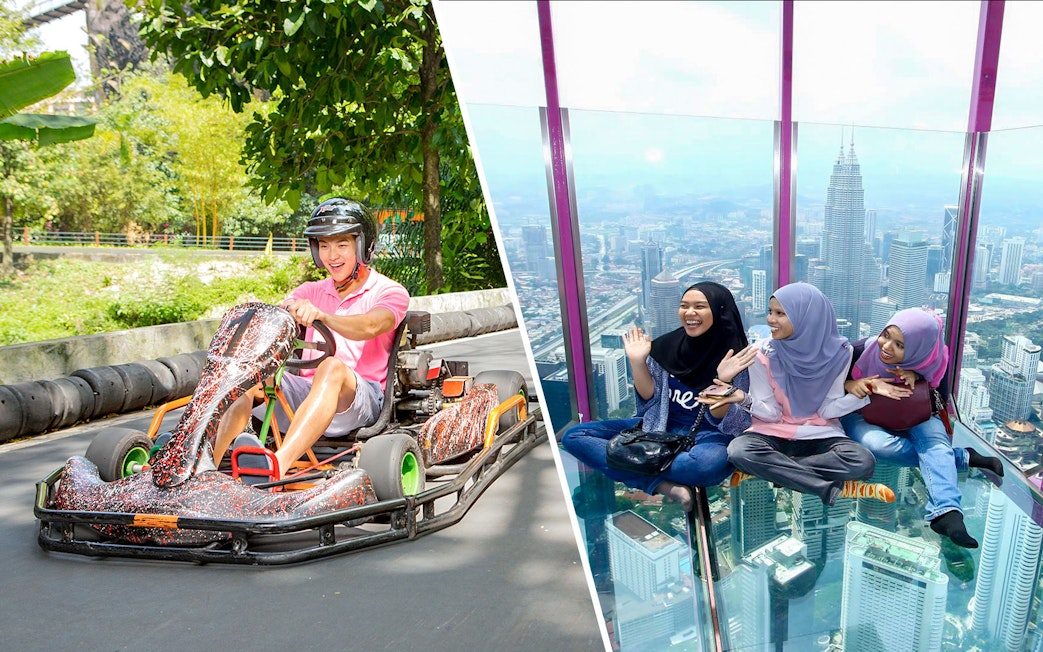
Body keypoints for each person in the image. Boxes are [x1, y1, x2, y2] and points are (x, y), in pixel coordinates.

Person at [213, 197, 410, 481]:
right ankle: (205, 466)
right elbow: (279, 319)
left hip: (360, 400)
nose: (332, 255)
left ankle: (276, 467)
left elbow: (370, 325)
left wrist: (324, 316)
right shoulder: (309, 290)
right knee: (249, 375)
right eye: (324, 245)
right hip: (306, 391)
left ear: (361, 246)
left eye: (342, 244)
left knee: (330, 367)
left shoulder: (389, 291)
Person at [559, 281, 757, 512]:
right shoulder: (666, 347)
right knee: (574, 436)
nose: (690, 313)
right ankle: (658, 484)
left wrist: (723, 383)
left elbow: (736, 423)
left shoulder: (738, 358)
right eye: (684, 305)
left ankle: (636, 464)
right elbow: (650, 401)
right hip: (659, 427)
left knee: (707, 467)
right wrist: (637, 362)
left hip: (708, 435)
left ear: (719, 310)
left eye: (700, 306)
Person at [841, 308, 1003, 548]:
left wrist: (918, 376)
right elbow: (825, 382)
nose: (886, 346)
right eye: (886, 335)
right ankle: (963, 457)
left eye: (900, 345)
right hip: (861, 412)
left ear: (918, 350)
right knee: (877, 445)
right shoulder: (861, 351)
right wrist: (855, 383)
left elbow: (938, 399)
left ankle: (948, 513)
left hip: (914, 413)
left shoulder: (933, 361)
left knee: (935, 443)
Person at [722, 283, 893, 505]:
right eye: (770, 312)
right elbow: (772, 414)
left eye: (780, 313)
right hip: (772, 431)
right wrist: (743, 399)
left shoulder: (840, 353)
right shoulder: (761, 353)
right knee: (739, 451)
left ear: (807, 317)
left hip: (820, 433)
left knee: (863, 461)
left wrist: (862, 394)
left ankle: (771, 470)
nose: (770, 320)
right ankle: (827, 488)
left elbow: (827, 410)